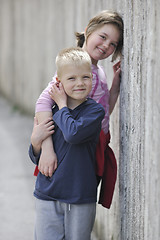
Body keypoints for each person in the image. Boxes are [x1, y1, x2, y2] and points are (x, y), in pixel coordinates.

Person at [34, 10, 123, 207]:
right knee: (71, 199)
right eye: (103, 37)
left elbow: (103, 111)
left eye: (113, 44)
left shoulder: (97, 70)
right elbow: (43, 102)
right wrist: (47, 148)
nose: (106, 45)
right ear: (88, 31)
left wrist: (114, 89)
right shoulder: (74, 67)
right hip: (73, 142)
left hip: (92, 142)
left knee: (83, 197)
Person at [29, 47, 105, 240]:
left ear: (92, 78)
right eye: (71, 78)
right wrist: (36, 142)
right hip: (47, 193)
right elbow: (36, 155)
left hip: (79, 194)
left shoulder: (94, 112)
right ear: (59, 82)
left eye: (85, 77)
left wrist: (62, 105)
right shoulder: (50, 111)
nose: (79, 83)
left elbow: (73, 133)